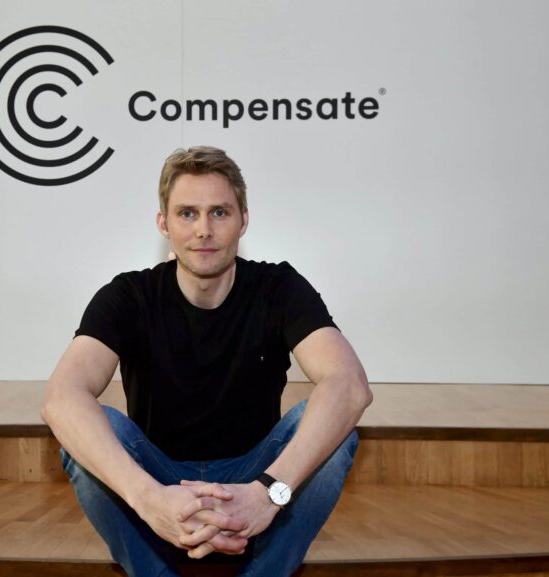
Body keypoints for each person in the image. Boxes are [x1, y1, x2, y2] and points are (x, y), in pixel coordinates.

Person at [41, 146, 372, 577]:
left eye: (219, 212)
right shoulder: (129, 295)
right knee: (90, 428)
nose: (204, 230)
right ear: (163, 223)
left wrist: (268, 492)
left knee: (334, 430)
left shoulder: (278, 288)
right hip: (160, 478)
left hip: (255, 475)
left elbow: (349, 384)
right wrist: (148, 498)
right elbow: (61, 398)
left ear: (243, 220)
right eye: (187, 214)